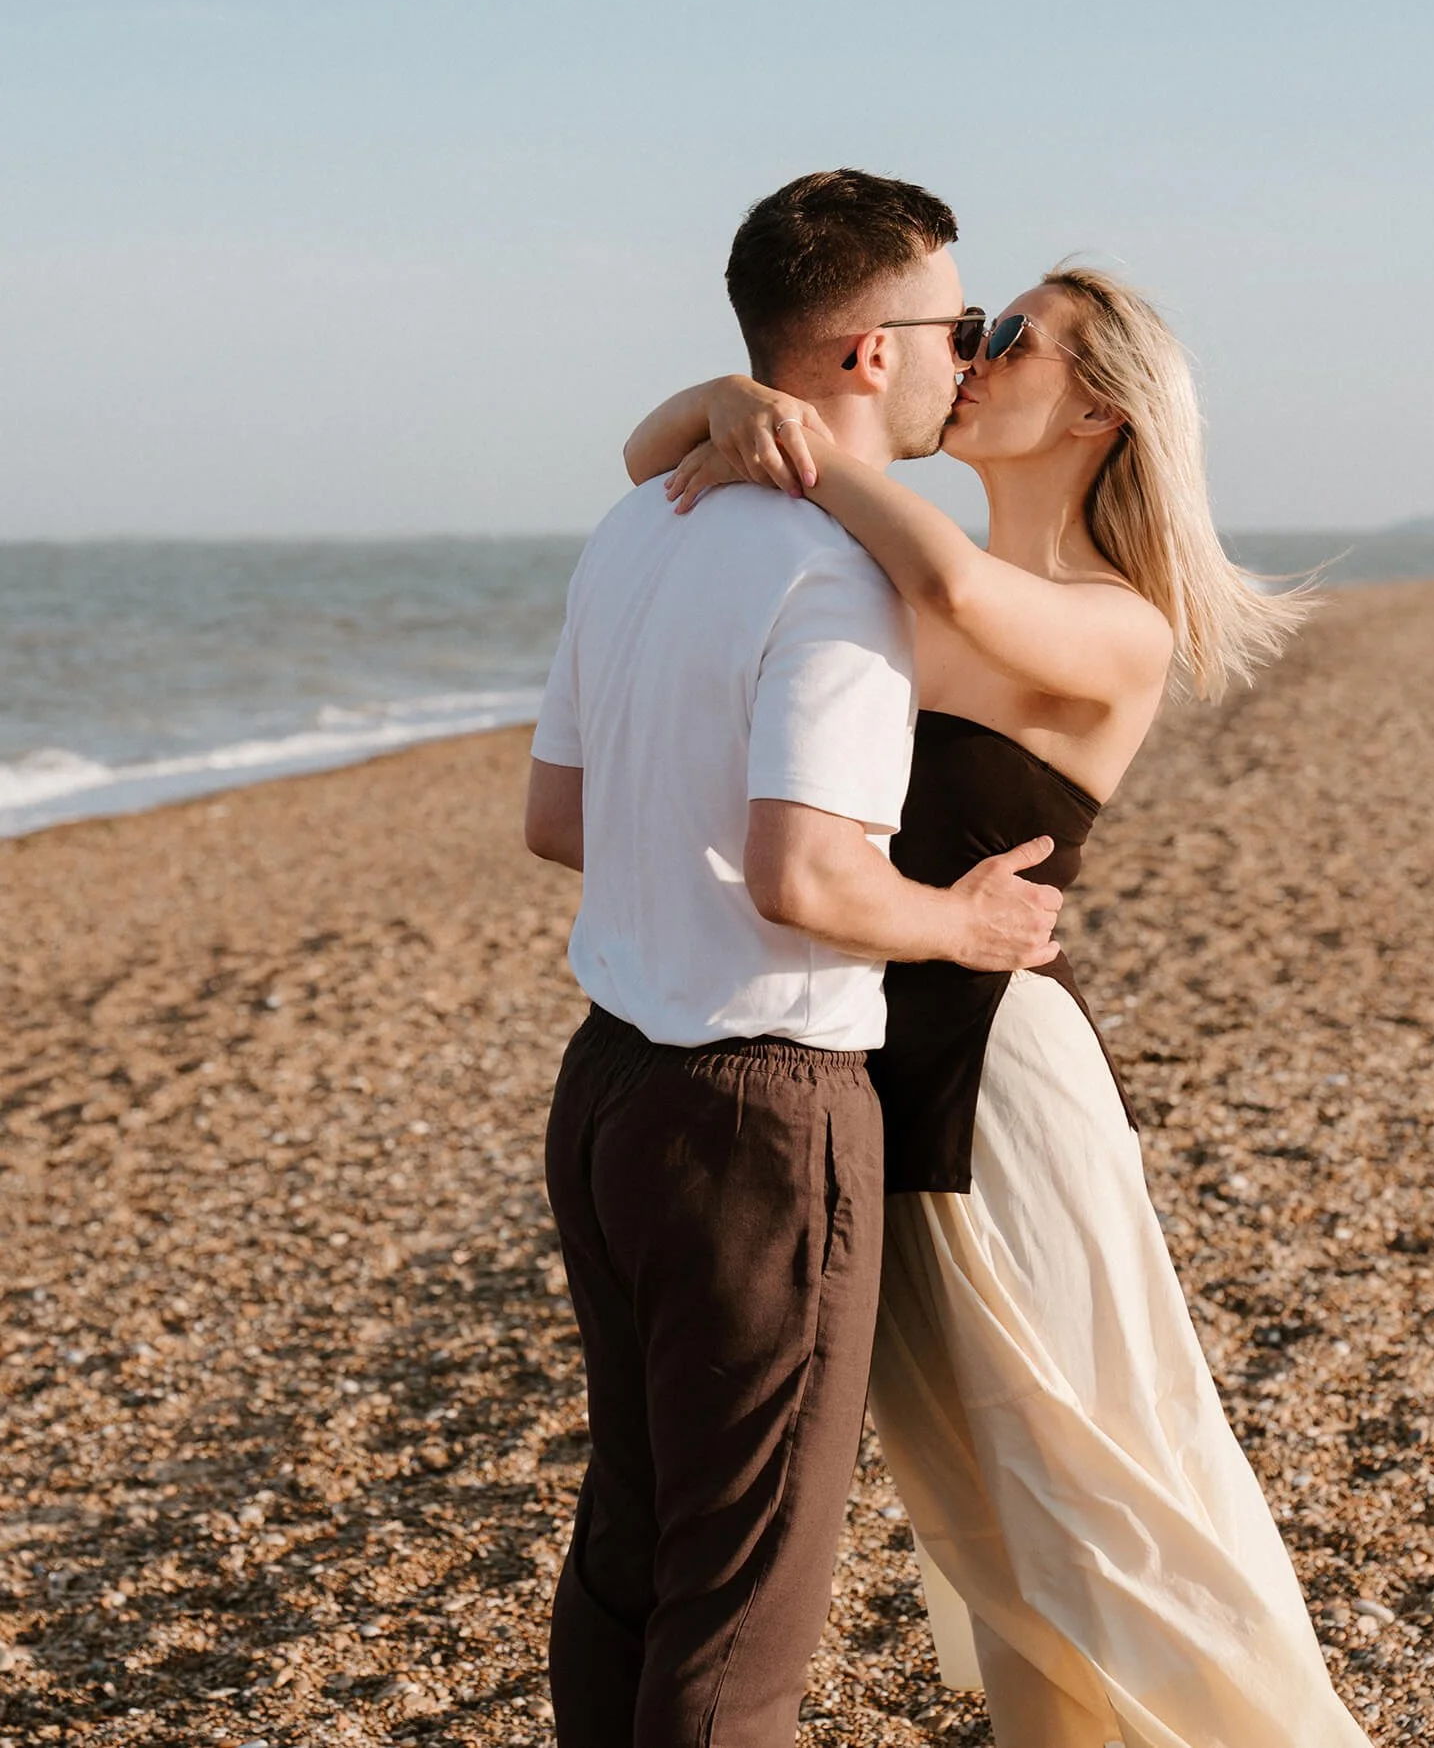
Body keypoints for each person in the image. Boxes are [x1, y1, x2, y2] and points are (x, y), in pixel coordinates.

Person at [628, 265, 1371, 1747]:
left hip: (1001, 1083)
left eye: (1008, 335)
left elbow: (958, 596)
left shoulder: (1116, 618)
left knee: (1097, 1482)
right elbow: (648, 456)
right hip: (870, 1068)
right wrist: (724, 398)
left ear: (1099, 405)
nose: (968, 351)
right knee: (984, 1511)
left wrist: (793, 432)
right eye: (970, 327)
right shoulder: (911, 560)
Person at [524, 169, 1065, 1748]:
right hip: (761, 1110)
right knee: (745, 1596)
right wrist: (966, 922)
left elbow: (560, 816)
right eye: (957, 324)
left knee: (631, 1538)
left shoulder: (637, 523)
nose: (972, 353)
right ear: (859, 353)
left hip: (608, 1083)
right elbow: (807, 873)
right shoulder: (839, 577)